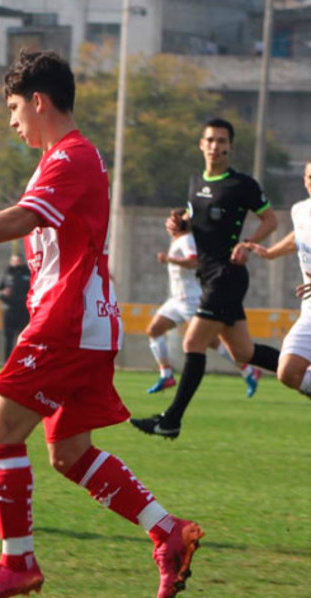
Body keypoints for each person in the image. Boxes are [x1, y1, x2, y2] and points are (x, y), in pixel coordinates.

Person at [0, 50, 202, 598]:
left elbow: (22, 218)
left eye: (14, 107)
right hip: (84, 319)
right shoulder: (64, 157)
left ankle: (17, 566)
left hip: (68, 319)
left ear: (39, 100)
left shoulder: (71, 156)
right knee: (70, 453)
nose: (12, 121)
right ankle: (167, 530)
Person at [130, 118, 281, 438]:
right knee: (244, 353)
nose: (215, 146)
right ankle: (304, 371)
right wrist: (178, 224)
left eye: (221, 141)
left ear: (230, 147)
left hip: (227, 275)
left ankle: (171, 420)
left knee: (193, 342)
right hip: (208, 276)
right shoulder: (195, 182)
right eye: (210, 140)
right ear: (201, 144)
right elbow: (190, 217)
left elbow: (271, 219)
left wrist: (249, 244)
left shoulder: (242, 184)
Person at [145, 219, 261, 396]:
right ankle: (166, 375)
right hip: (177, 300)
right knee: (154, 330)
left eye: (171, 220)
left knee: (213, 342)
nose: (167, 223)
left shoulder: (187, 240)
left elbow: (193, 261)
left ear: (178, 223)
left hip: (191, 300)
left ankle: (248, 370)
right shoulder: (179, 240)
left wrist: (169, 259)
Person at [236, 160, 311, 400]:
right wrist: (271, 253)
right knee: (288, 372)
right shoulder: (300, 210)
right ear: (304, 180)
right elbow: (298, 235)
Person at [0, 253, 31, 362]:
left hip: (24, 310)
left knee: (23, 337)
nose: (17, 263)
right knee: (9, 336)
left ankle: (21, 360)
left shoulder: (28, 274)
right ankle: (7, 362)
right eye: (15, 261)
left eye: (19, 260)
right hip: (10, 310)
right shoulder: (6, 275)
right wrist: (2, 294)